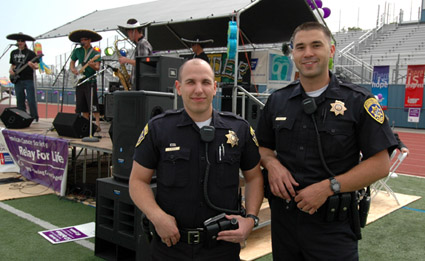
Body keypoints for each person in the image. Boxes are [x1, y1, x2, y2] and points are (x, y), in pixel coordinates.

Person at [256, 21, 398, 260]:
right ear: (293, 53)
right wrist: (272, 164)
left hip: (332, 227)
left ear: (331, 51)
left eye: (316, 45)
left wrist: (328, 187)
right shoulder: (277, 101)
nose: (308, 53)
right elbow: (262, 147)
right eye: (300, 47)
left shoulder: (358, 100)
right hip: (284, 225)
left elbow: (380, 164)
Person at [129, 58, 263, 260]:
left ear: (215, 87)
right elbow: (137, 180)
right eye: (190, 82)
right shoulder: (159, 128)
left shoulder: (239, 129)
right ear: (179, 87)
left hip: (222, 246)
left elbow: (254, 177)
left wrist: (251, 219)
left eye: (206, 82)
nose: (198, 90)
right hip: (170, 246)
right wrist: (156, 216)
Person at [69, 29, 102, 131]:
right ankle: (85, 124)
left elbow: (97, 67)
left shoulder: (95, 53)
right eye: (82, 39)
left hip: (90, 81)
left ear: (89, 40)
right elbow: (72, 62)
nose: (83, 41)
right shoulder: (77, 51)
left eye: (85, 39)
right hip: (80, 81)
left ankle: (97, 124)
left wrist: (91, 65)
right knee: (81, 104)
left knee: (93, 103)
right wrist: (73, 69)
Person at [7, 32, 39, 122]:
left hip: (28, 79)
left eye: (22, 41)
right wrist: (11, 70)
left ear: (25, 42)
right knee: (20, 99)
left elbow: (36, 66)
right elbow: (13, 65)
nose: (20, 42)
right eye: (18, 41)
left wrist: (32, 65)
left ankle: (34, 117)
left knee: (31, 99)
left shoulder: (30, 53)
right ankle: (23, 117)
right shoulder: (13, 52)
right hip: (17, 79)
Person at [118, 18, 153, 86]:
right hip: (139, 82)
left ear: (135, 31)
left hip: (141, 83)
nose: (128, 35)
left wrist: (126, 60)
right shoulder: (140, 44)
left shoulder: (142, 44)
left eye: (129, 32)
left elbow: (143, 63)